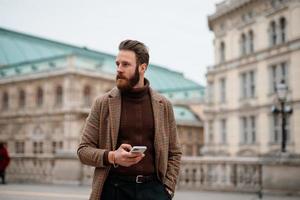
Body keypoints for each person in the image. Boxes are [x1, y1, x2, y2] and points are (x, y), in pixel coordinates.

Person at [77, 39, 182, 200]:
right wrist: (113, 156)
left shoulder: (163, 105)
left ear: (142, 68)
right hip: (114, 190)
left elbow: (174, 152)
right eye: (117, 64)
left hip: (153, 190)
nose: (119, 69)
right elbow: (83, 151)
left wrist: (167, 189)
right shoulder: (103, 103)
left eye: (125, 64)